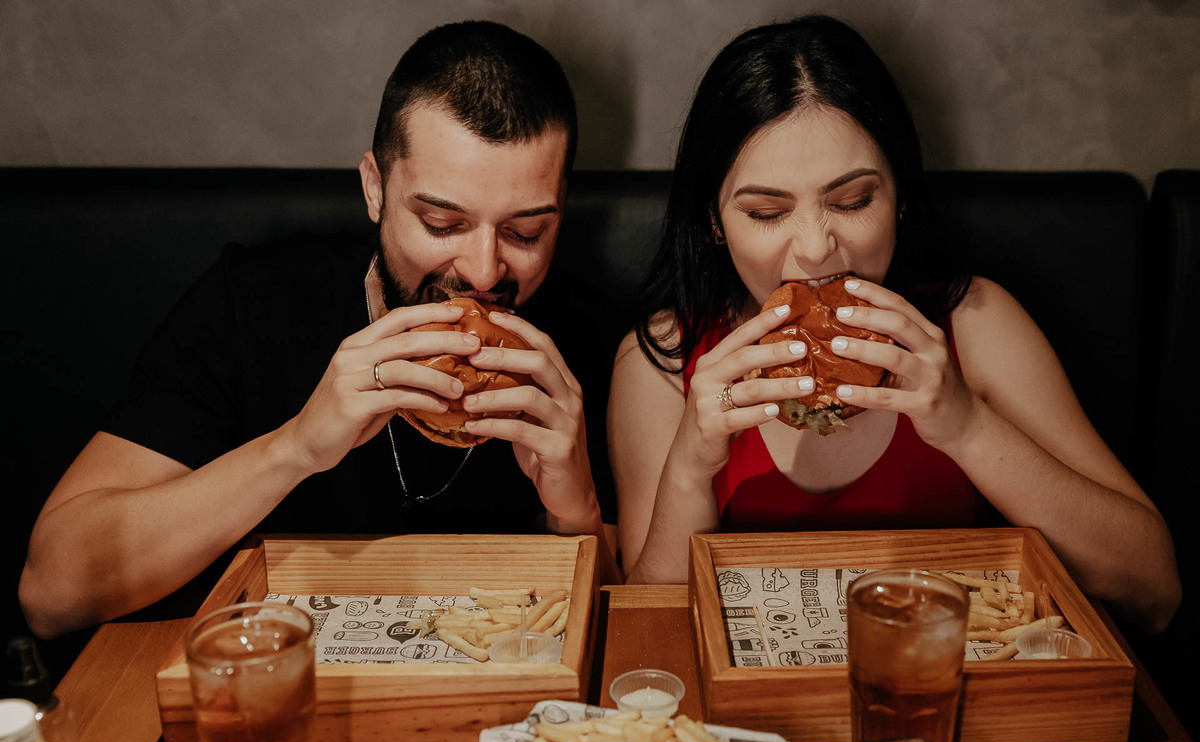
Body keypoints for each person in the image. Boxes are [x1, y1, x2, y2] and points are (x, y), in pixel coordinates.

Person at [21, 20, 621, 640]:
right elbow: (51, 593)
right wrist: (296, 449)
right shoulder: (251, 303)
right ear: (375, 189)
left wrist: (574, 507)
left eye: (525, 232)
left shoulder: (587, 336)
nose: (484, 270)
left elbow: (626, 633)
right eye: (443, 223)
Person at [608, 15, 1180, 633]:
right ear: (716, 222)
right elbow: (649, 637)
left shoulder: (975, 325)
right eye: (767, 212)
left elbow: (1152, 590)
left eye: (852, 201)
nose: (815, 248)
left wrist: (966, 424)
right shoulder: (663, 360)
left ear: (899, 197)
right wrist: (692, 463)